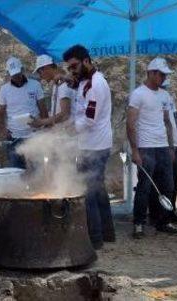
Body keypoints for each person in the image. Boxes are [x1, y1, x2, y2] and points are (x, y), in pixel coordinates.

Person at [63, 44, 115, 249]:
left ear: (86, 61)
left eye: (74, 66)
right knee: (99, 190)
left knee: (88, 192)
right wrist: (66, 78)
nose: (72, 71)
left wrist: (69, 129)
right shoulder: (86, 81)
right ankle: (108, 233)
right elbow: (77, 86)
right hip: (94, 143)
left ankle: (94, 239)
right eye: (69, 68)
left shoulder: (95, 85)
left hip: (94, 146)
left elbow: (89, 119)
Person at [128, 57, 177, 238]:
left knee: (168, 186)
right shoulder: (138, 94)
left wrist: (172, 147)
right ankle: (138, 223)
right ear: (150, 73)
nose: (163, 78)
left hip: (163, 147)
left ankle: (163, 221)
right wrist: (135, 150)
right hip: (146, 148)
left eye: (165, 75)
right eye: (161, 74)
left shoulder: (164, 95)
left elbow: (167, 122)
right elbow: (130, 124)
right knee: (144, 187)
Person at [0, 56, 48, 169]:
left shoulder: (35, 85)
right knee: (16, 171)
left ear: (22, 70)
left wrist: (45, 128)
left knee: (37, 170)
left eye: (18, 74)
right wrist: (4, 131)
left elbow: (43, 108)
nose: (17, 77)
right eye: (14, 75)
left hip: (34, 136)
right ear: (9, 74)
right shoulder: (4, 90)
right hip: (15, 138)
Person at [161, 77, 177, 224]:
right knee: (165, 182)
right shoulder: (153, 98)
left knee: (174, 182)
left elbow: (176, 121)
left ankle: (171, 212)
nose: (165, 90)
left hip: (175, 146)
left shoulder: (169, 98)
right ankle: (160, 214)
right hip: (163, 146)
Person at [30, 54, 76, 129]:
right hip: (61, 132)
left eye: (40, 72)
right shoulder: (57, 84)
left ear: (46, 68)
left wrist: (42, 122)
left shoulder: (63, 85)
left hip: (68, 133)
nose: (40, 76)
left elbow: (65, 115)